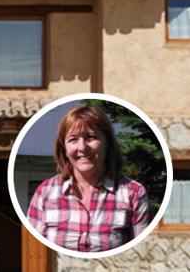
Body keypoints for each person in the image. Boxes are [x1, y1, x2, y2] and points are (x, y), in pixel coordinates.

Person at [27, 106, 151, 252]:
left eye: (90, 137)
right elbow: (33, 253)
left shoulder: (133, 193)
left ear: (107, 143)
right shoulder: (45, 192)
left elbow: (142, 254)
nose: (82, 147)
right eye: (73, 139)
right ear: (64, 149)